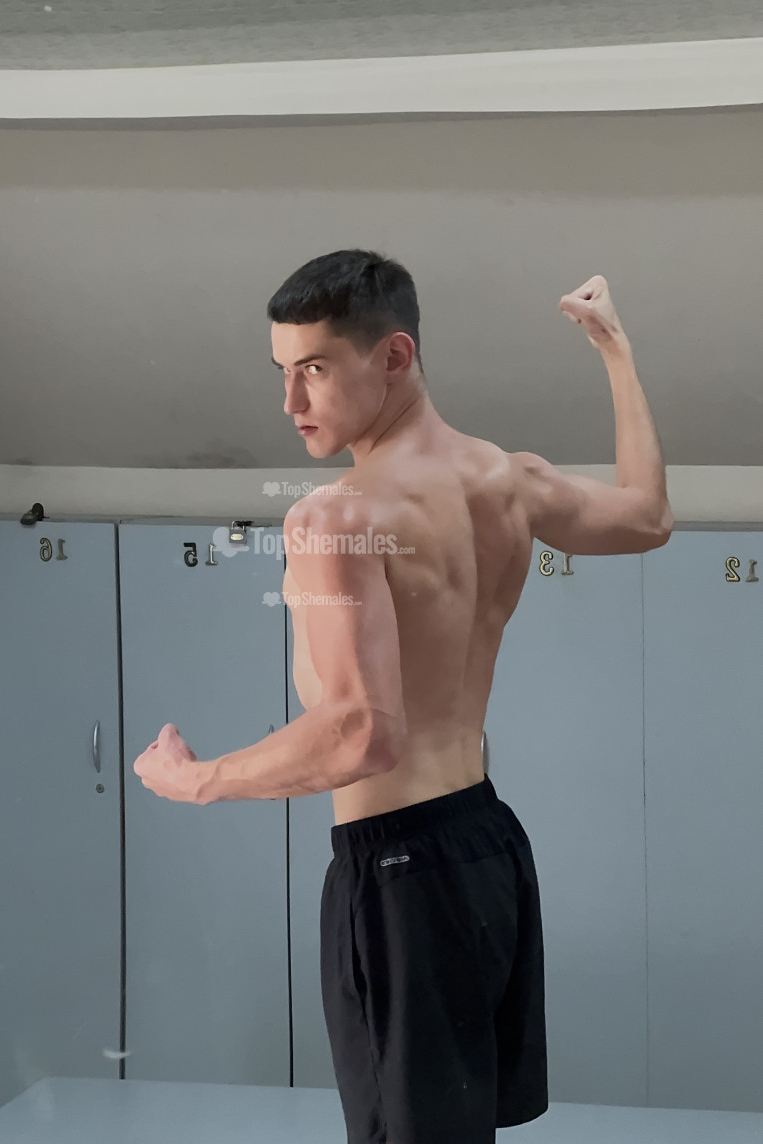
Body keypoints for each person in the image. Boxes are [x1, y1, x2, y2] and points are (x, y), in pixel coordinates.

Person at [265, 249, 673, 1144]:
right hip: (485, 844)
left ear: (395, 356)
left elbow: (359, 733)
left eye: (315, 370)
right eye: (282, 372)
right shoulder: (506, 480)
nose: (291, 402)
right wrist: (614, 348)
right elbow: (648, 516)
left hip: (398, 871)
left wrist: (200, 778)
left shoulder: (333, 516)